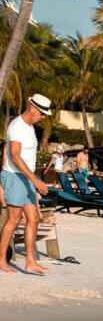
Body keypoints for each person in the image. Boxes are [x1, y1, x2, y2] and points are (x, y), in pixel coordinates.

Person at [0, 94, 53, 274]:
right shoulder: (17, 126)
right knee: (14, 219)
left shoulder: (30, 127)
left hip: (26, 178)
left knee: (34, 218)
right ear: (32, 108)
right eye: (43, 113)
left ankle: (30, 262)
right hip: (14, 177)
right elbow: (14, 156)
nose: (44, 117)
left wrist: (32, 179)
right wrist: (35, 179)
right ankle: (1, 260)